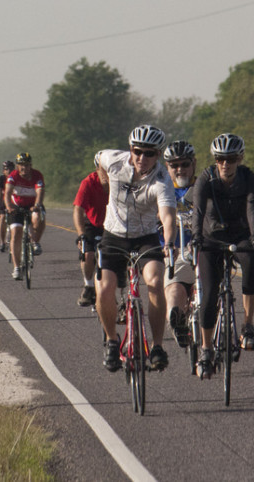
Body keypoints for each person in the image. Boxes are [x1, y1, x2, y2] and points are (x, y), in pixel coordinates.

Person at [95, 125, 177, 373]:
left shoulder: (162, 180)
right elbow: (98, 156)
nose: (142, 158)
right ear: (130, 149)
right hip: (113, 235)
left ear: (159, 154)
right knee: (106, 288)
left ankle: (158, 346)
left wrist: (170, 243)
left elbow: (168, 217)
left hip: (146, 237)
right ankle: (111, 340)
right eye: (137, 151)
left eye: (150, 153)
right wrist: (101, 174)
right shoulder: (114, 160)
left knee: (154, 281)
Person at [191, 132, 254, 380]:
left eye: (232, 158)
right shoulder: (206, 178)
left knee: (250, 261)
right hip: (211, 238)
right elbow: (198, 212)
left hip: (240, 236)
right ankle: (206, 350)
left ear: (240, 158)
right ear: (215, 159)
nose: (226, 164)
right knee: (210, 293)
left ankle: (247, 326)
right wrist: (195, 238)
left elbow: (253, 212)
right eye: (221, 158)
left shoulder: (249, 179)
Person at [162, 141, 198, 349]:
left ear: (193, 163)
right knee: (174, 285)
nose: (180, 169)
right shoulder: (161, 191)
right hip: (175, 250)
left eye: (184, 164)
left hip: (204, 247)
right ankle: (177, 321)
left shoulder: (205, 186)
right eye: (174, 165)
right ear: (166, 167)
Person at [3, 152, 45, 281]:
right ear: (17, 166)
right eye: (21, 165)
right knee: (16, 233)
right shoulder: (13, 176)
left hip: (33, 205)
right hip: (17, 207)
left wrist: (37, 205)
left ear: (30, 165)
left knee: (37, 218)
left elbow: (40, 191)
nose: (24, 168)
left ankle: (35, 242)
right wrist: (9, 207)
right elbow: (8, 193)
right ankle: (16, 267)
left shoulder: (37, 175)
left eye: (26, 165)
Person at [73, 154, 108, 307]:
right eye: (103, 170)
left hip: (111, 225)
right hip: (91, 223)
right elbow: (78, 210)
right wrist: (81, 235)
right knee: (88, 254)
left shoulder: (119, 182)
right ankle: (88, 285)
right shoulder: (88, 182)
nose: (107, 174)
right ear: (97, 169)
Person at [0, 160, 15, 252]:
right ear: (3, 171)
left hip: (15, 201)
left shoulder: (17, 177)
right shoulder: (1, 179)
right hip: (5, 201)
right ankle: (2, 242)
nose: (9, 171)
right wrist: (0, 207)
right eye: (6, 169)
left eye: (11, 169)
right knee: (3, 218)